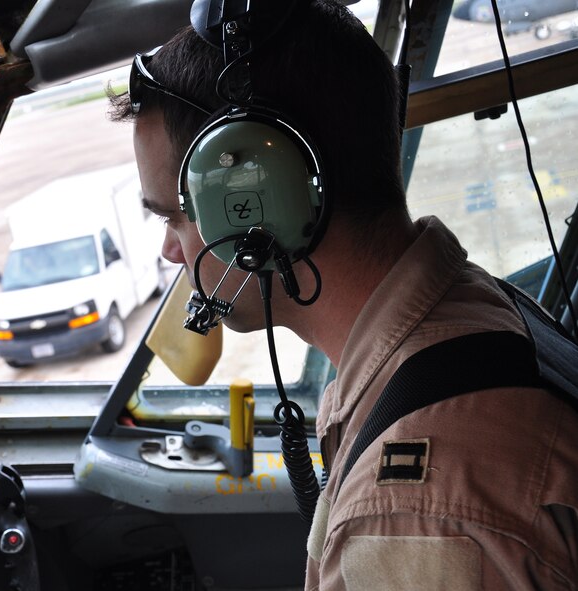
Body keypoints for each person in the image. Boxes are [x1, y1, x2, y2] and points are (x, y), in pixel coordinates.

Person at [112, 0, 578, 588]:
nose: (171, 253)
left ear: (262, 202)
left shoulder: (413, 513)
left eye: (175, 219)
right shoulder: (475, 311)